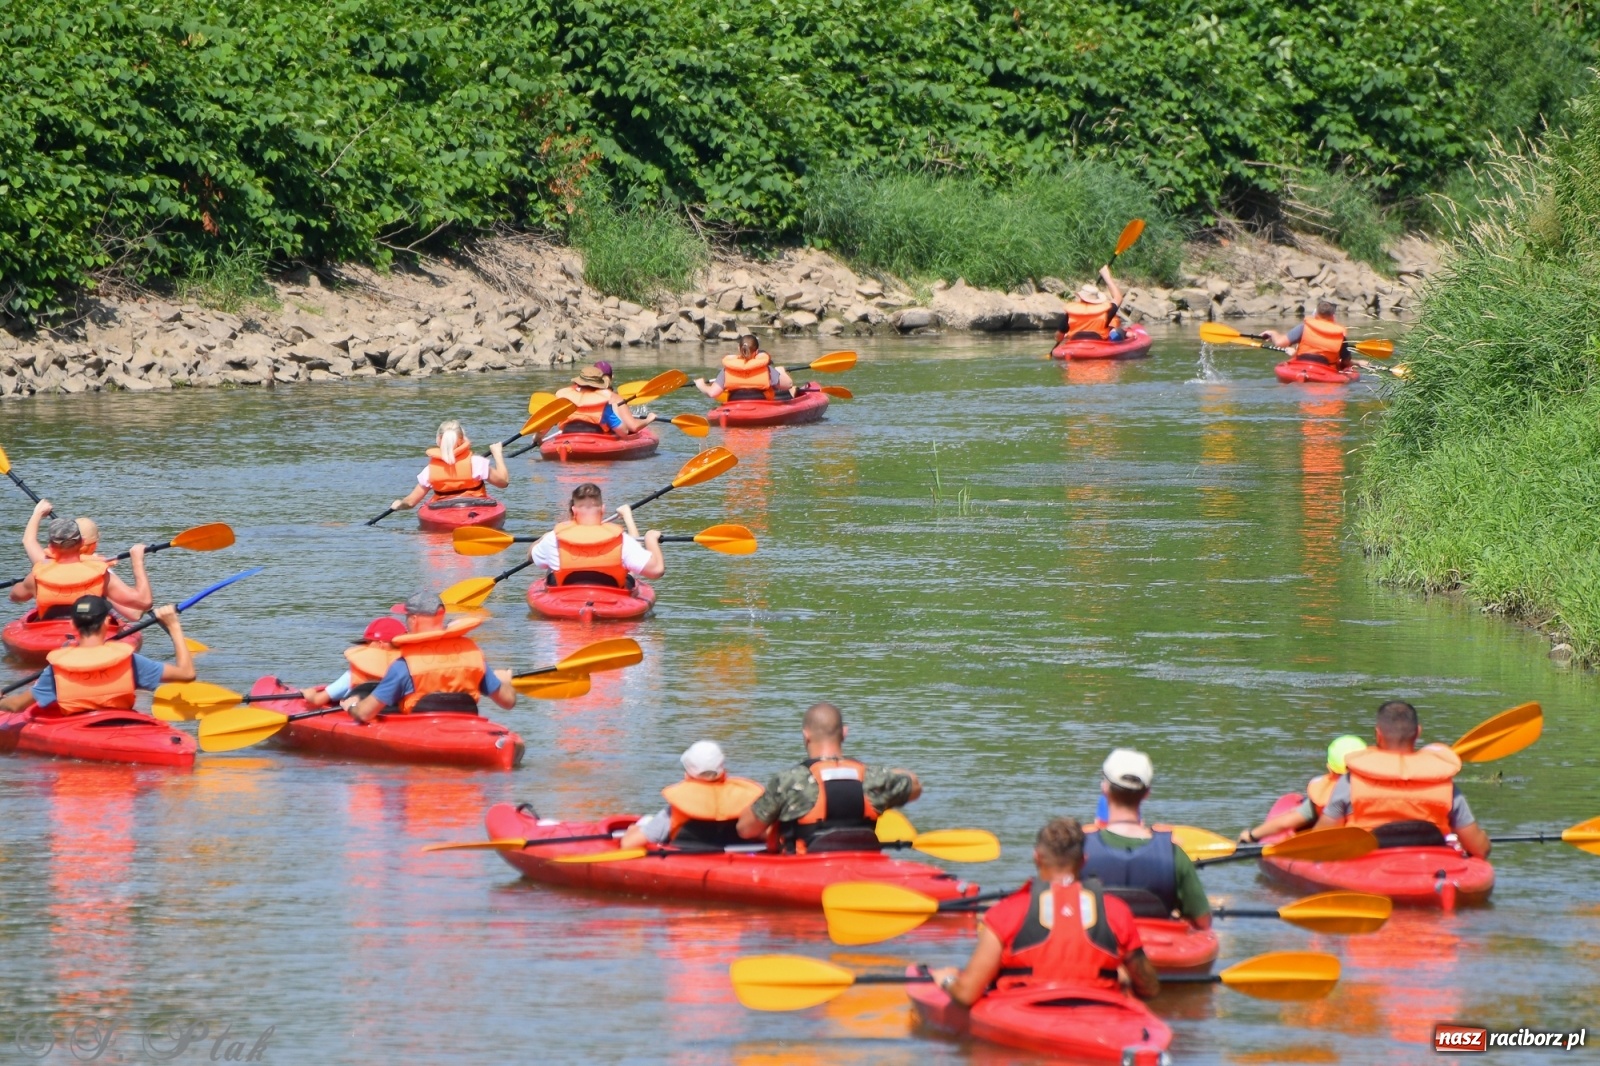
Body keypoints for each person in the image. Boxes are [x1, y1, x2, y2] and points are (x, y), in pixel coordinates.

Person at [930, 817, 1160, 1006]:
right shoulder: (1116, 911)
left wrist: (947, 979)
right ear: (1084, 861)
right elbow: (1150, 989)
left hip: (1024, 1013)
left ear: (1036, 858)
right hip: (1101, 1012)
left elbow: (966, 994)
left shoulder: (1006, 913)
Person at [1312, 700, 1491, 858]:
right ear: (1418, 732)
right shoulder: (1446, 785)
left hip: (1366, 864)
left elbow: (1320, 840)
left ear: (1378, 734)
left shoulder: (1351, 782)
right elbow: (1480, 849)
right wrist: (1483, 839)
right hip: (1431, 866)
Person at [734, 702, 921, 852]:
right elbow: (915, 787)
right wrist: (889, 774)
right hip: (863, 864)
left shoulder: (789, 781)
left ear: (805, 736)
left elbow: (745, 829)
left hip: (806, 869)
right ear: (844, 733)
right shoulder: (872, 778)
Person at [1082, 749, 1212, 930]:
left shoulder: (1079, 850)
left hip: (1097, 948)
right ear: (1147, 793)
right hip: (1158, 949)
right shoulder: (1174, 854)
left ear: (1104, 788)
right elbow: (1203, 922)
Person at [0, 595, 194, 713]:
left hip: (75, 730)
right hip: (120, 726)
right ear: (107, 624)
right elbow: (187, 674)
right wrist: (174, 627)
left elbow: (16, 706)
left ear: (73, 625)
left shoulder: (59, 667)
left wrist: (2, 702)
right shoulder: (130, 660)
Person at [349, 592, 517, 723]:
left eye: (407, 617)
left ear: (414, 620)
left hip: (420, 730)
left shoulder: (404, 665)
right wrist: (505, 683)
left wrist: (353, 707)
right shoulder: (473, 655)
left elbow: (365, 714)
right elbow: (508, 702)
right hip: (467, 726)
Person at [618, 741, 767, 851]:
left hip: (688, 860)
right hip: (738, 859)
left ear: (688, 771)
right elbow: (767, 836)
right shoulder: (746, 805)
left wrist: (634, 830)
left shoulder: (676, 810)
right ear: (722, 768)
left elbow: (629, 844)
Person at [10, 507, 150, 621]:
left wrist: (38, 513)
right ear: (82, 542)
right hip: (86, 632)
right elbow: (137, 610)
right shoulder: (101, 574)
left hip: (48, 632)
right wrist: (137, 561)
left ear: (51, 546)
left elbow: (15, 596)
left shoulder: (39, 570)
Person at [528, 483, 664, 589]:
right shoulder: (622, 539)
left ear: (573, 510)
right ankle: (628, 518)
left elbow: (531, 556)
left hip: (567, 596)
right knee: (629, 572)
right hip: (611, 597)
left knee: (551, 572)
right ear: (603, 510)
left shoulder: (554, 539)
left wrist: (543, 538)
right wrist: (651, 540)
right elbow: (656, 570)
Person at [1237, 734, 1368, 843]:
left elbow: (1285, 822)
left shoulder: (1323, 794)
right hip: (1370, 844)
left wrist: (1252, 835)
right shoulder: (1378, 791)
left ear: (1329, 767)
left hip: (1334, 847)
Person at [389, 420, 509, 515]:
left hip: (442, 510)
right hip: (476, 509)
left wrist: (400, 504)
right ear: (462, 440)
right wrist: (497, 454)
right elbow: (503, 483)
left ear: (438, 441)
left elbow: (411, 502)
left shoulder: (429, 471)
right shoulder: (477, 463)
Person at [299, 616, 407, 708]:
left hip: (359, 713)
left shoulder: (353, 675)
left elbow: (318, 700)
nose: (364, 646)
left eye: (367, 642)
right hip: (395, 713)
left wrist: (309, 694)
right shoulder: (408, 669)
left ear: (379, 644)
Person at [553, 365, 657, 439]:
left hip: (567, 437)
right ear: (598, 386)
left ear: (579, 382)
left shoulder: (565, 401)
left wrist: (538, 439)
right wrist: (649, 419)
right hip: (593, 441)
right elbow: (624, 432)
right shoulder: (603, 405)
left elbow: (544, 426)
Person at [694, 332, 795, 401]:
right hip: (761, 406)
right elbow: (788, 385)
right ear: (756, 352)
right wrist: (781, 371)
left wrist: (701, 385)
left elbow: (712, 393)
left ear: (739, 349)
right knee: (793, 389)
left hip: (736, 406)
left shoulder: (727, 370)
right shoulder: (766, 369)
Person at [1266, 300, 1350, 371]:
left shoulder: (1303, 327)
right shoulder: (1340, 334)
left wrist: (1274, 333)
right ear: (1332, 316)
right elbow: (1346, 361)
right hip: (1326, 370)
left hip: (1302, 366)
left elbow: (1280, 343)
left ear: (1316, 313)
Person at [1058, 266, 1126, 342]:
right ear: (1097, 299)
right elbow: (1118, 298)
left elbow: (1059, 337)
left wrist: (1065, 336)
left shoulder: (1070, 313)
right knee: (1116, 330)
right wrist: (1106, 276)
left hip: (1076, 344)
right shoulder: (1106, 311)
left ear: (1081, 297)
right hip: (1098, 343)